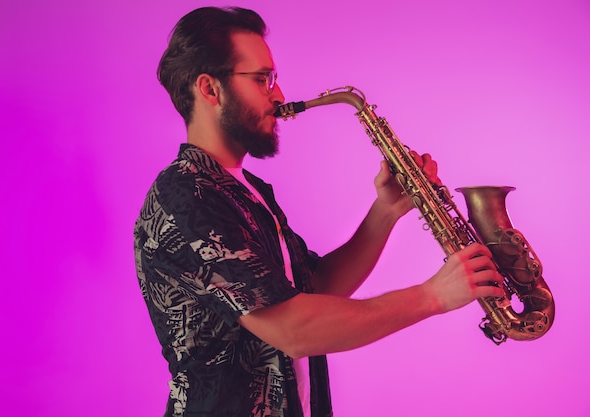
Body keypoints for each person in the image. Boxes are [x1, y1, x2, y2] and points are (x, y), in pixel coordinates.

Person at [133, 6, 505, 417]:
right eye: (262, 79)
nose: (278, 94)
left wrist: (385, 211)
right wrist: (432, 296)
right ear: (209, 89)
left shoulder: (247, 190)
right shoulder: (188, 196)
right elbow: (293, 329)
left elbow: (316, 289)